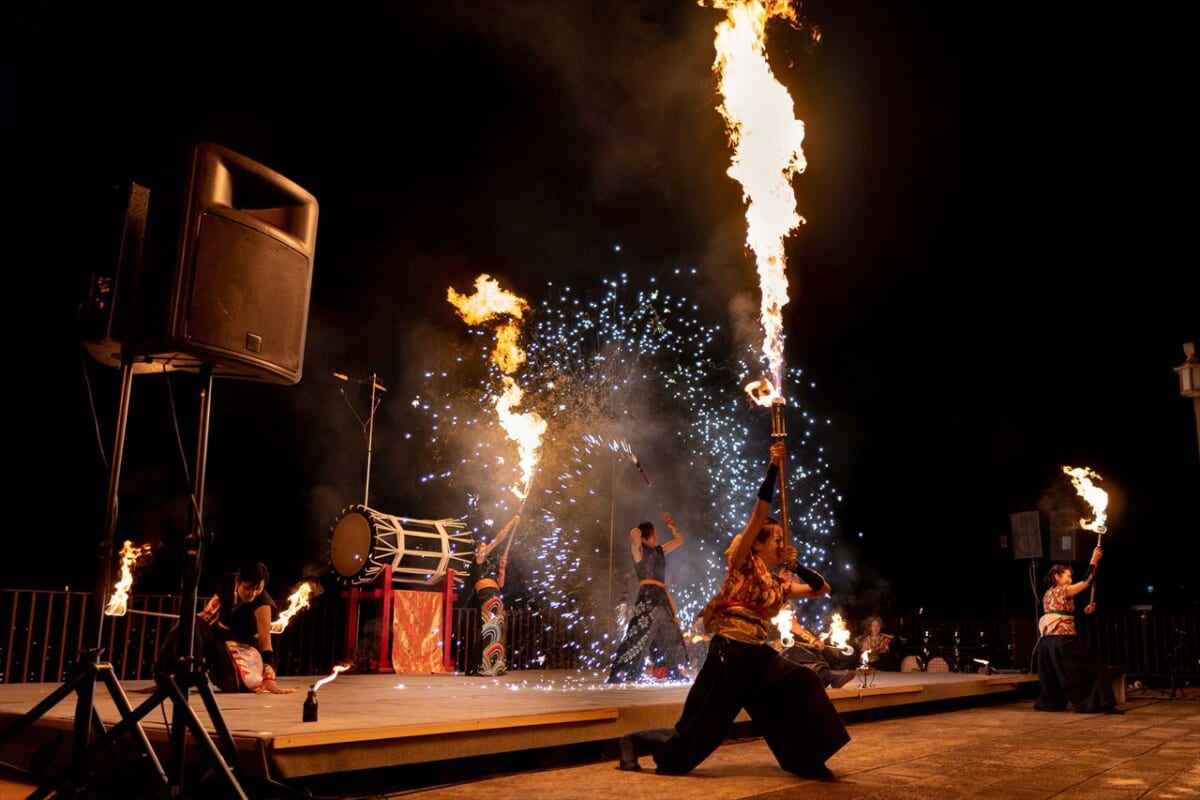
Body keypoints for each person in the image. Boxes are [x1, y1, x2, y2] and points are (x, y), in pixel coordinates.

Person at [618, 440, 850, 779]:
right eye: (776, 539)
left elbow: (821, 589)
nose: (782, 544)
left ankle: (806, 758)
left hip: (757, 656)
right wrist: (772, 467)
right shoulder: (742, 562)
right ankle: (633, 742)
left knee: (801, 680)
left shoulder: (776, 583)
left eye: (784, 540)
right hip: (729, 654)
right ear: (757, 543)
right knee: (699, 736)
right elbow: (758, 514)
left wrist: (796, 567)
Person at [162, 561, 294, 694]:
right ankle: (165, 675)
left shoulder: (263, 605)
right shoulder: (227, 582)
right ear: (238, 581)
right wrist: (188, 621)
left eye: (258, 588)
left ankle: (184, 676)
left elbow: (266, 644)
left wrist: (269, 679)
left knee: (230, 683)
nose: (253, 593)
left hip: (241, 654)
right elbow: (207, 614)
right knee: (189, 621)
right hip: (220, 640)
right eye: (248, 588)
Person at [1032, 546, 1121, 714]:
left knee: (1055, 674)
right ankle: (1098, 703)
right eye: (1067, 575)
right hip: (1061, 641)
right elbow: (1086, 582)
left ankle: (1052, 703)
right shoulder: (1063, 590)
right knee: (1094, 667)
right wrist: (1094, 559)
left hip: (1047, 644)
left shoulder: (1048, 593)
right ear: (1057, 576)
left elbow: (1059, 612)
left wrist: (1082, 611)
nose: (1071, 579)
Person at [607, 510, 690, 683]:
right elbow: (634, 535)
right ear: (645, 537)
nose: (657, 537)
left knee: (670, 633)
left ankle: (673, 670)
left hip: (661, 596)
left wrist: (671, 525)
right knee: (639, 634)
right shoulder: (639, 552)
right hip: (648, 597)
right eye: (654, 534)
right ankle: (624, 671)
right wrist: (638, 531)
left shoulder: (660, 551)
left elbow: (680, 541)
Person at [468, 514, 520, 676]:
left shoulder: (489, 564)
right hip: (485, 597)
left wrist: (502, 569)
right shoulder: (478, 560)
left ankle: (494, 666)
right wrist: (511, 522)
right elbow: (498, 540)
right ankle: (478, 667)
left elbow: (501, 584)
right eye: (482, 546)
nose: (485, 548)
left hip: (495, 595)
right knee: (489, 631)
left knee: (497, 631)